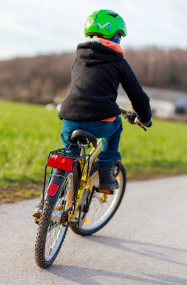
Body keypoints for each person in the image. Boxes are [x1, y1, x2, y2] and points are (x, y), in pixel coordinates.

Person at [32, 9, 152, 218]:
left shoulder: (79, 55)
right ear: (115, 35)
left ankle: (47, 201)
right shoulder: (118, 61)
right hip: (101, 120)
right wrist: (145, 118)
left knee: (67, 153)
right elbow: (138, 96)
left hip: (70, 116)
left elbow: (86, 86)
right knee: (116, 127)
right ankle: (106, 174)